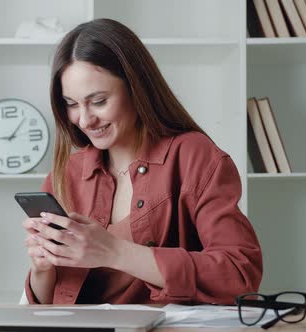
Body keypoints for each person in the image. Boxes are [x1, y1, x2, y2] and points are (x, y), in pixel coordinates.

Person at [21, 18, 262, 305]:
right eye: (71, 104)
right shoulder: (66, 174)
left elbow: (240, 274)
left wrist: (115, 251)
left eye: (98, 101)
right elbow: (48, 305)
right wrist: (42, 269)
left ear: (136, 88)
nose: (84, 120)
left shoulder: (193, 156)